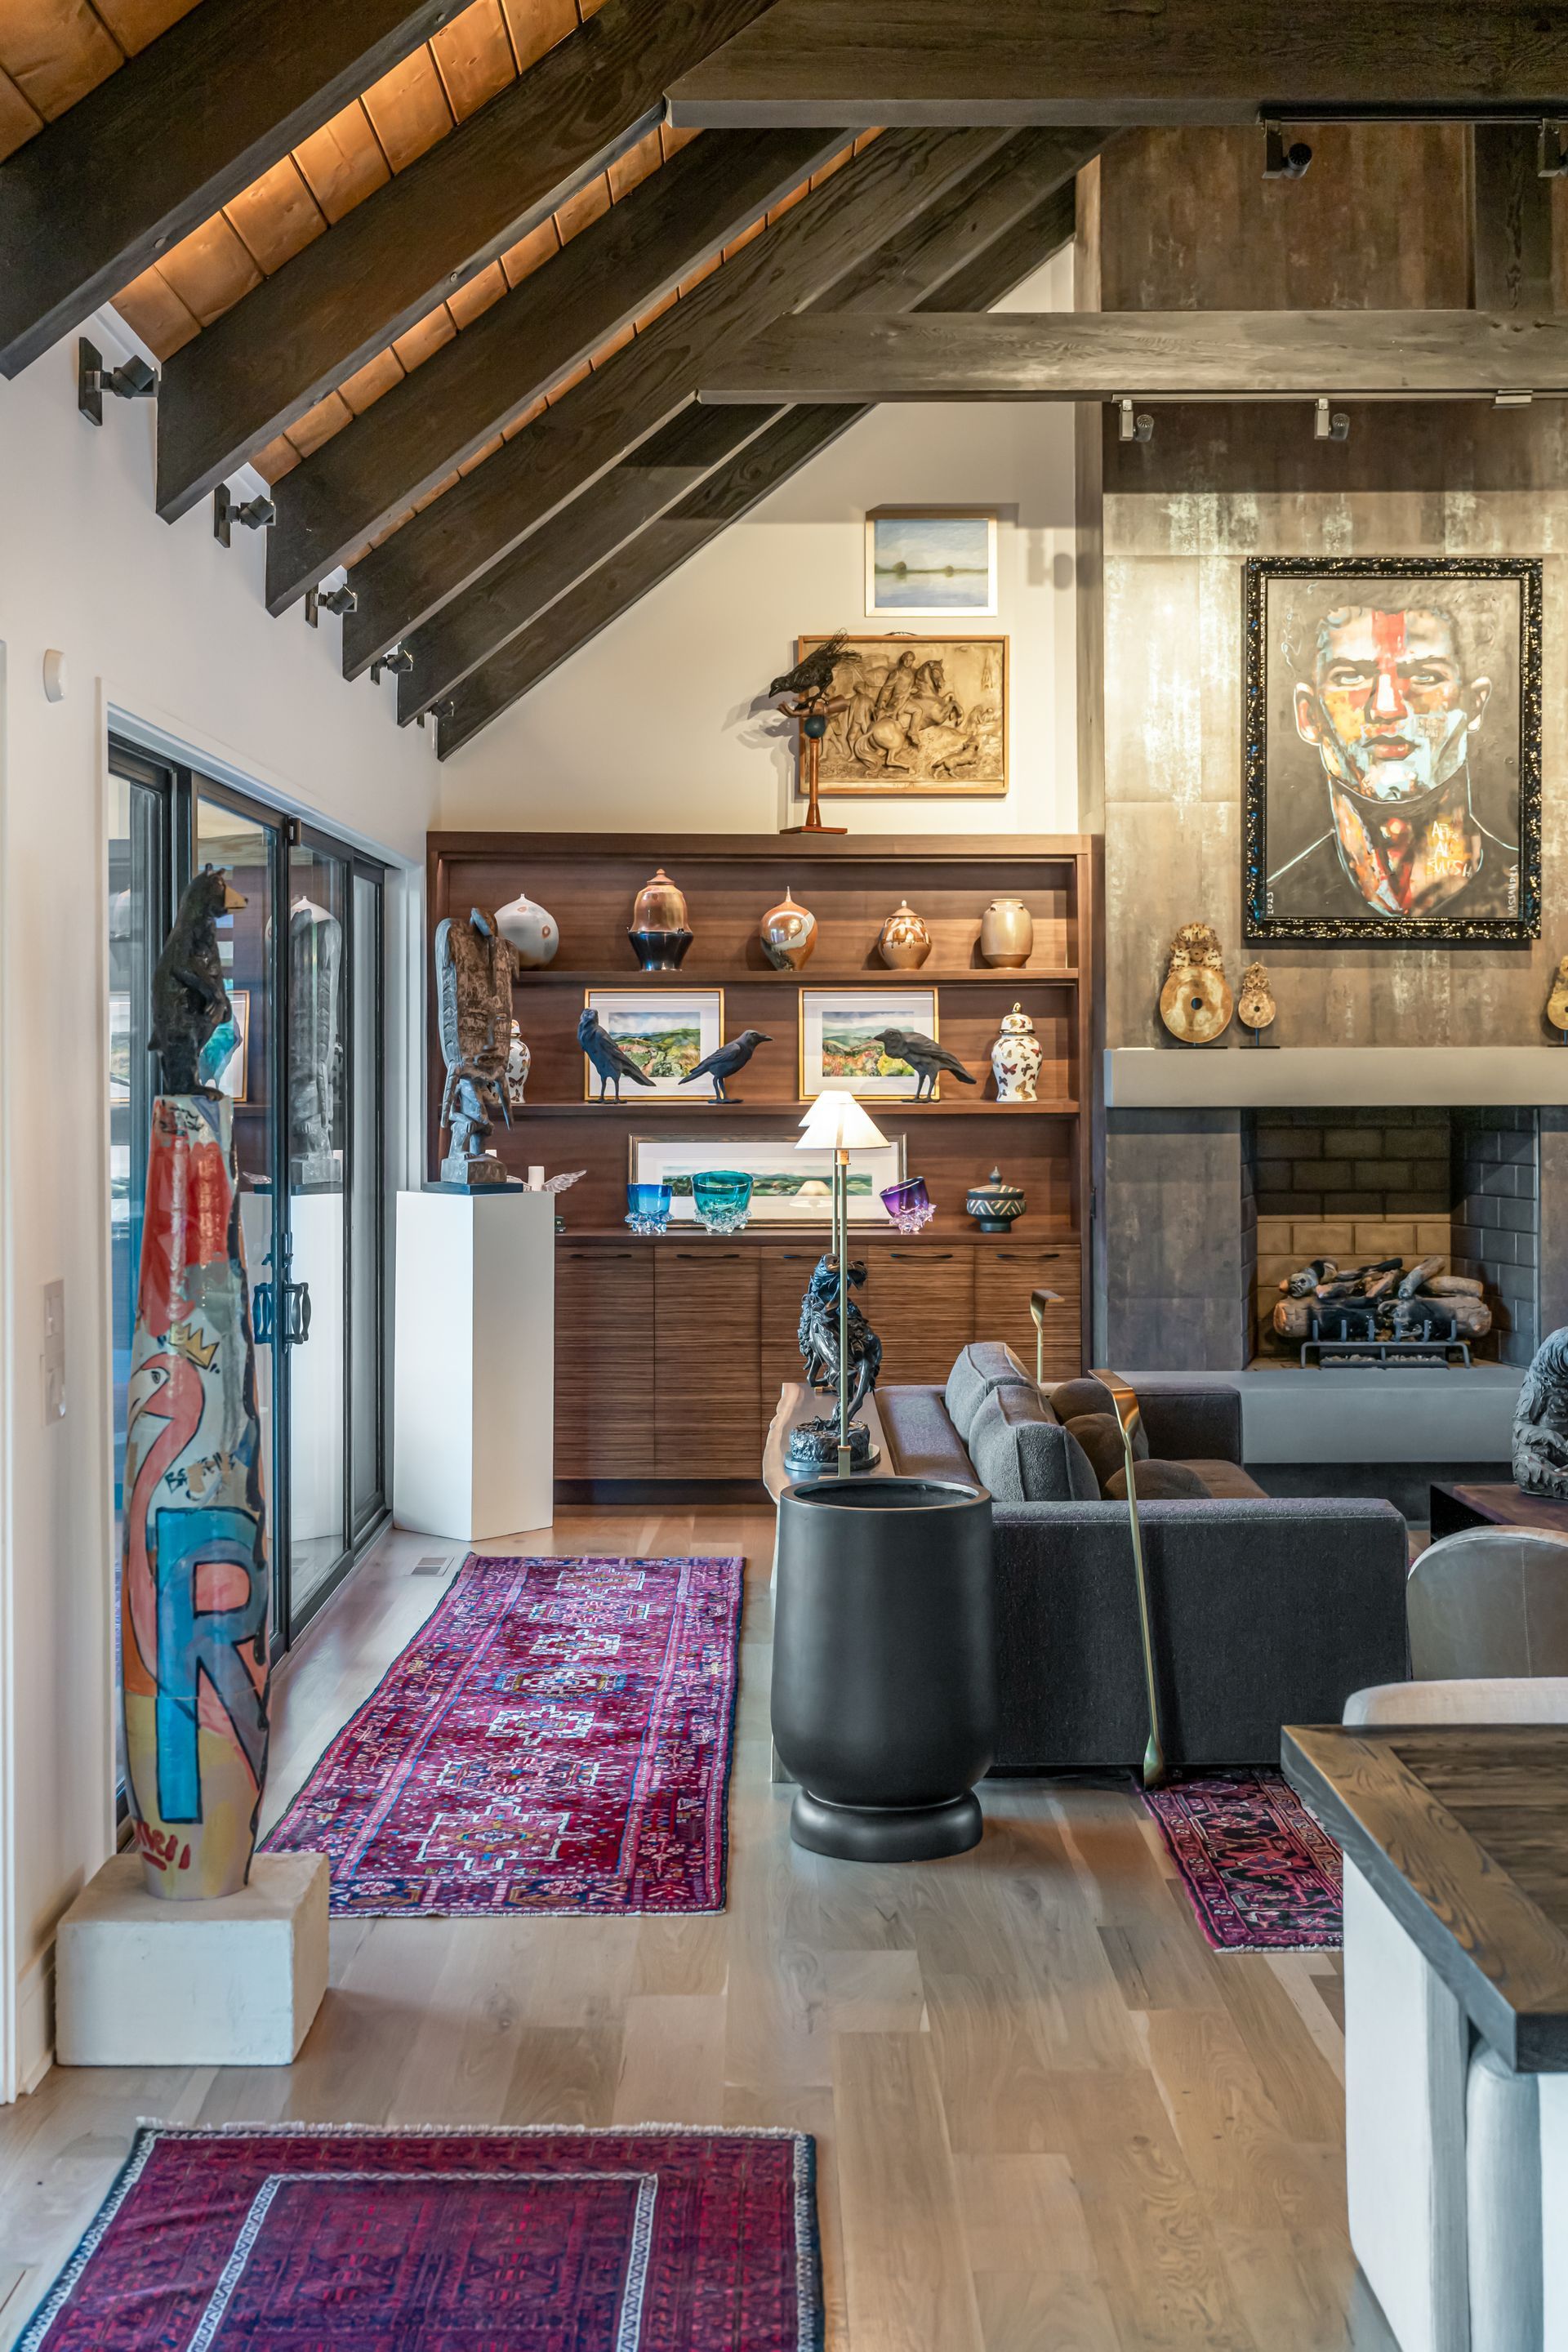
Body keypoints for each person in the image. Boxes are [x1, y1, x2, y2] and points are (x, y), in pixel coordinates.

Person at [1270, 599, 1518, 921]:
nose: (1387, 707)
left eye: (1426, 676)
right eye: (1350, 677)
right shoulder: (1280, 902)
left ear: (1474, 705)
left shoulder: (1519, 891)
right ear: (1309, 715)